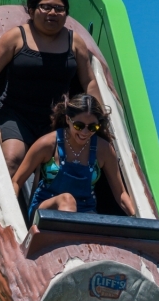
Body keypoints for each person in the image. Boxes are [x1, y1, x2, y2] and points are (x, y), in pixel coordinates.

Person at [0, 0, 101, 176]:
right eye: (45, 7)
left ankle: (38, 204)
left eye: (59, 9)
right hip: (16, 113)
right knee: (12, 159)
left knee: (54, 169)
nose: (52, 13)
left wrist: (98, 116)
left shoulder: (75, 42)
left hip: (55, 118)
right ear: (31, 10)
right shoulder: (16, 37)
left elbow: (89, 82)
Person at [12, 94, 135, 223]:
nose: (85, 132)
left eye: (92, 127)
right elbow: (16, 182)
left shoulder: (104, 150)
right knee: (67, 200)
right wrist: (13, 219)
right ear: (67, 119)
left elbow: (121, 194)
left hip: (85, 213)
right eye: (79, 126)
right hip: (45, 211)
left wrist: (138, 219)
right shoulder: (47, 144)